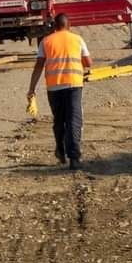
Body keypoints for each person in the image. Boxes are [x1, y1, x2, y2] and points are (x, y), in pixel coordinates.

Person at [26, 12, 92, 170]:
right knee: (74, 120)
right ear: (69, 26)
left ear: (54, 26)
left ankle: (60, 150)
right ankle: (74, 158)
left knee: (59, 120)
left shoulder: (46, 42)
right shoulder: (77, 39)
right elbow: (88, 62)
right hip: (74, 85)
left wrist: (31, 89)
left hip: (53, 87)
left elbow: (39, 66)